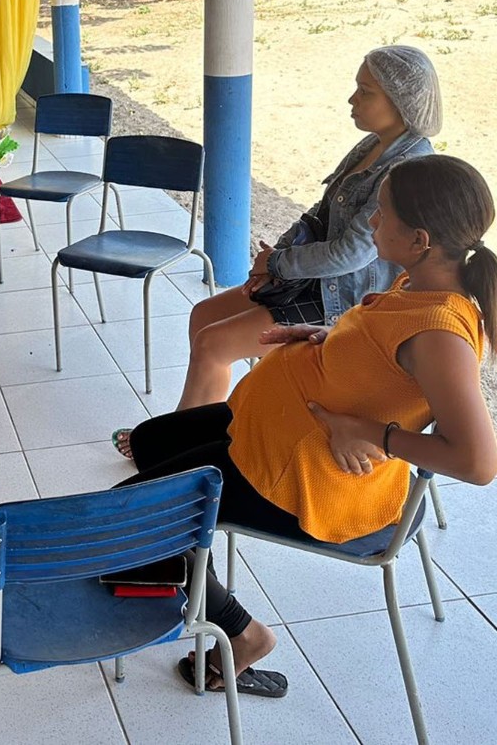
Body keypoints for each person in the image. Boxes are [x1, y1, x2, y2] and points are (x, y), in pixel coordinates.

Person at [116, 154, 497, 698]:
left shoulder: (440, 333)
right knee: (153, 443)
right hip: (267, 432)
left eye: (380, 214)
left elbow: (479, 462)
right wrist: (323, 337)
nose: (370, 223)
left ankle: (243, 635)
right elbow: (379, 355)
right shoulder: (419, 278)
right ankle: (190, 554)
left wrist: (369, 432)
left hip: (298, 476)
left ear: (419, 238)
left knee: (127, 520)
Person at [119, 46, 441, 442]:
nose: (352, 99)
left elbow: (351, 254)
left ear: (400, 101)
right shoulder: (372, 145)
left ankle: (176, 445)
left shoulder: (407, 168)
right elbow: (319, 214)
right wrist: (270, 259)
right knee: (204, 315)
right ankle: (202, 430)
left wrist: (278, 265)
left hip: (341, 300)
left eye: (365, 91)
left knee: (213, 344)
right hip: (313, 280)